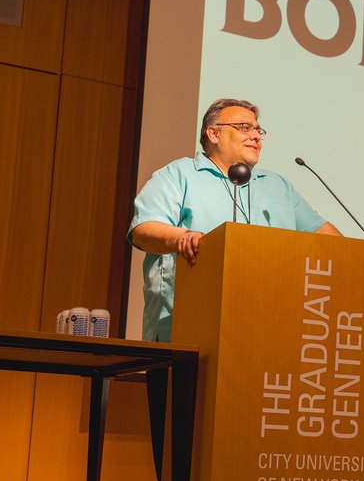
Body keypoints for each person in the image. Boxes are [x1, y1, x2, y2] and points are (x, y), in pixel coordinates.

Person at [129, 98, 340, 343]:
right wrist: (183, 237)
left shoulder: (277, 186)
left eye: (258, 130)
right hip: (186, 332)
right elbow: (143, 230)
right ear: (213, 133)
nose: (256, 137)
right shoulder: (178, 174)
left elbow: (328, 238)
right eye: (244, 128)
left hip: (272, 331)